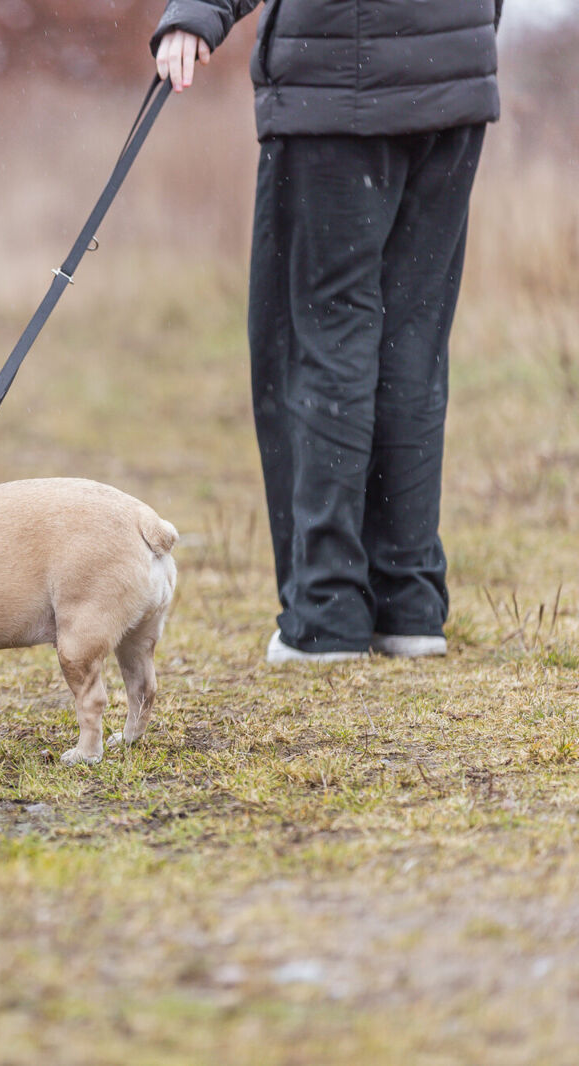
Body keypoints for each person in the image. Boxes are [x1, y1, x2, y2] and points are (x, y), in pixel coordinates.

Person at [149, 0, 501, 663]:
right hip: (453, 80)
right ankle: (409, 605)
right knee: (411, 350)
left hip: (338, 89)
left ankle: (327, 612)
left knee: (318, 344)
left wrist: (198, 11)